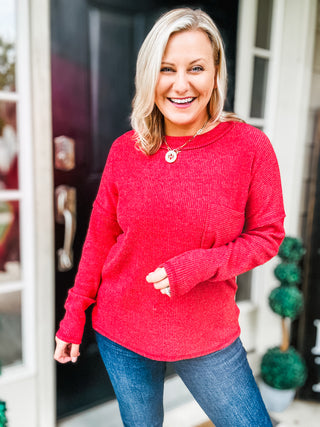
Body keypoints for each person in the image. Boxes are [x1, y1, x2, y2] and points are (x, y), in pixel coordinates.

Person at [54, 8, 285, 427]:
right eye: (166, 69)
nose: (181, 85)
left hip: (205, 333)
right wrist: (74, 317)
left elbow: (267, 235)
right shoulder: (126, 150)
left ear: (216, 73)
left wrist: (199, 264)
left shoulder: (249, 148)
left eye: (196, 68)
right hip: (120, 328)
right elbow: (99, 239)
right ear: (149, 77)